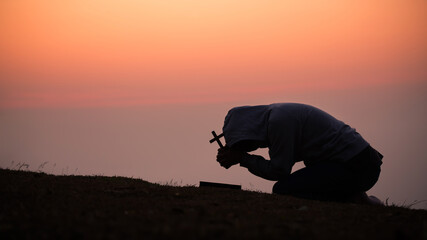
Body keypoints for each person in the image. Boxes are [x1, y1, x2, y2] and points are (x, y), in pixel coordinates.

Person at [216, 103, 383, 205]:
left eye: (245, 144)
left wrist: (242, 158)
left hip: (358, 166)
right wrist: (241, 157)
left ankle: (354, 199)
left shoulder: (278, 123)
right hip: (358, 162)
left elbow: (279, 170)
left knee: (285, 189)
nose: (250, 148)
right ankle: (353, 195)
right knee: (297, 183)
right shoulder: (276, 116)